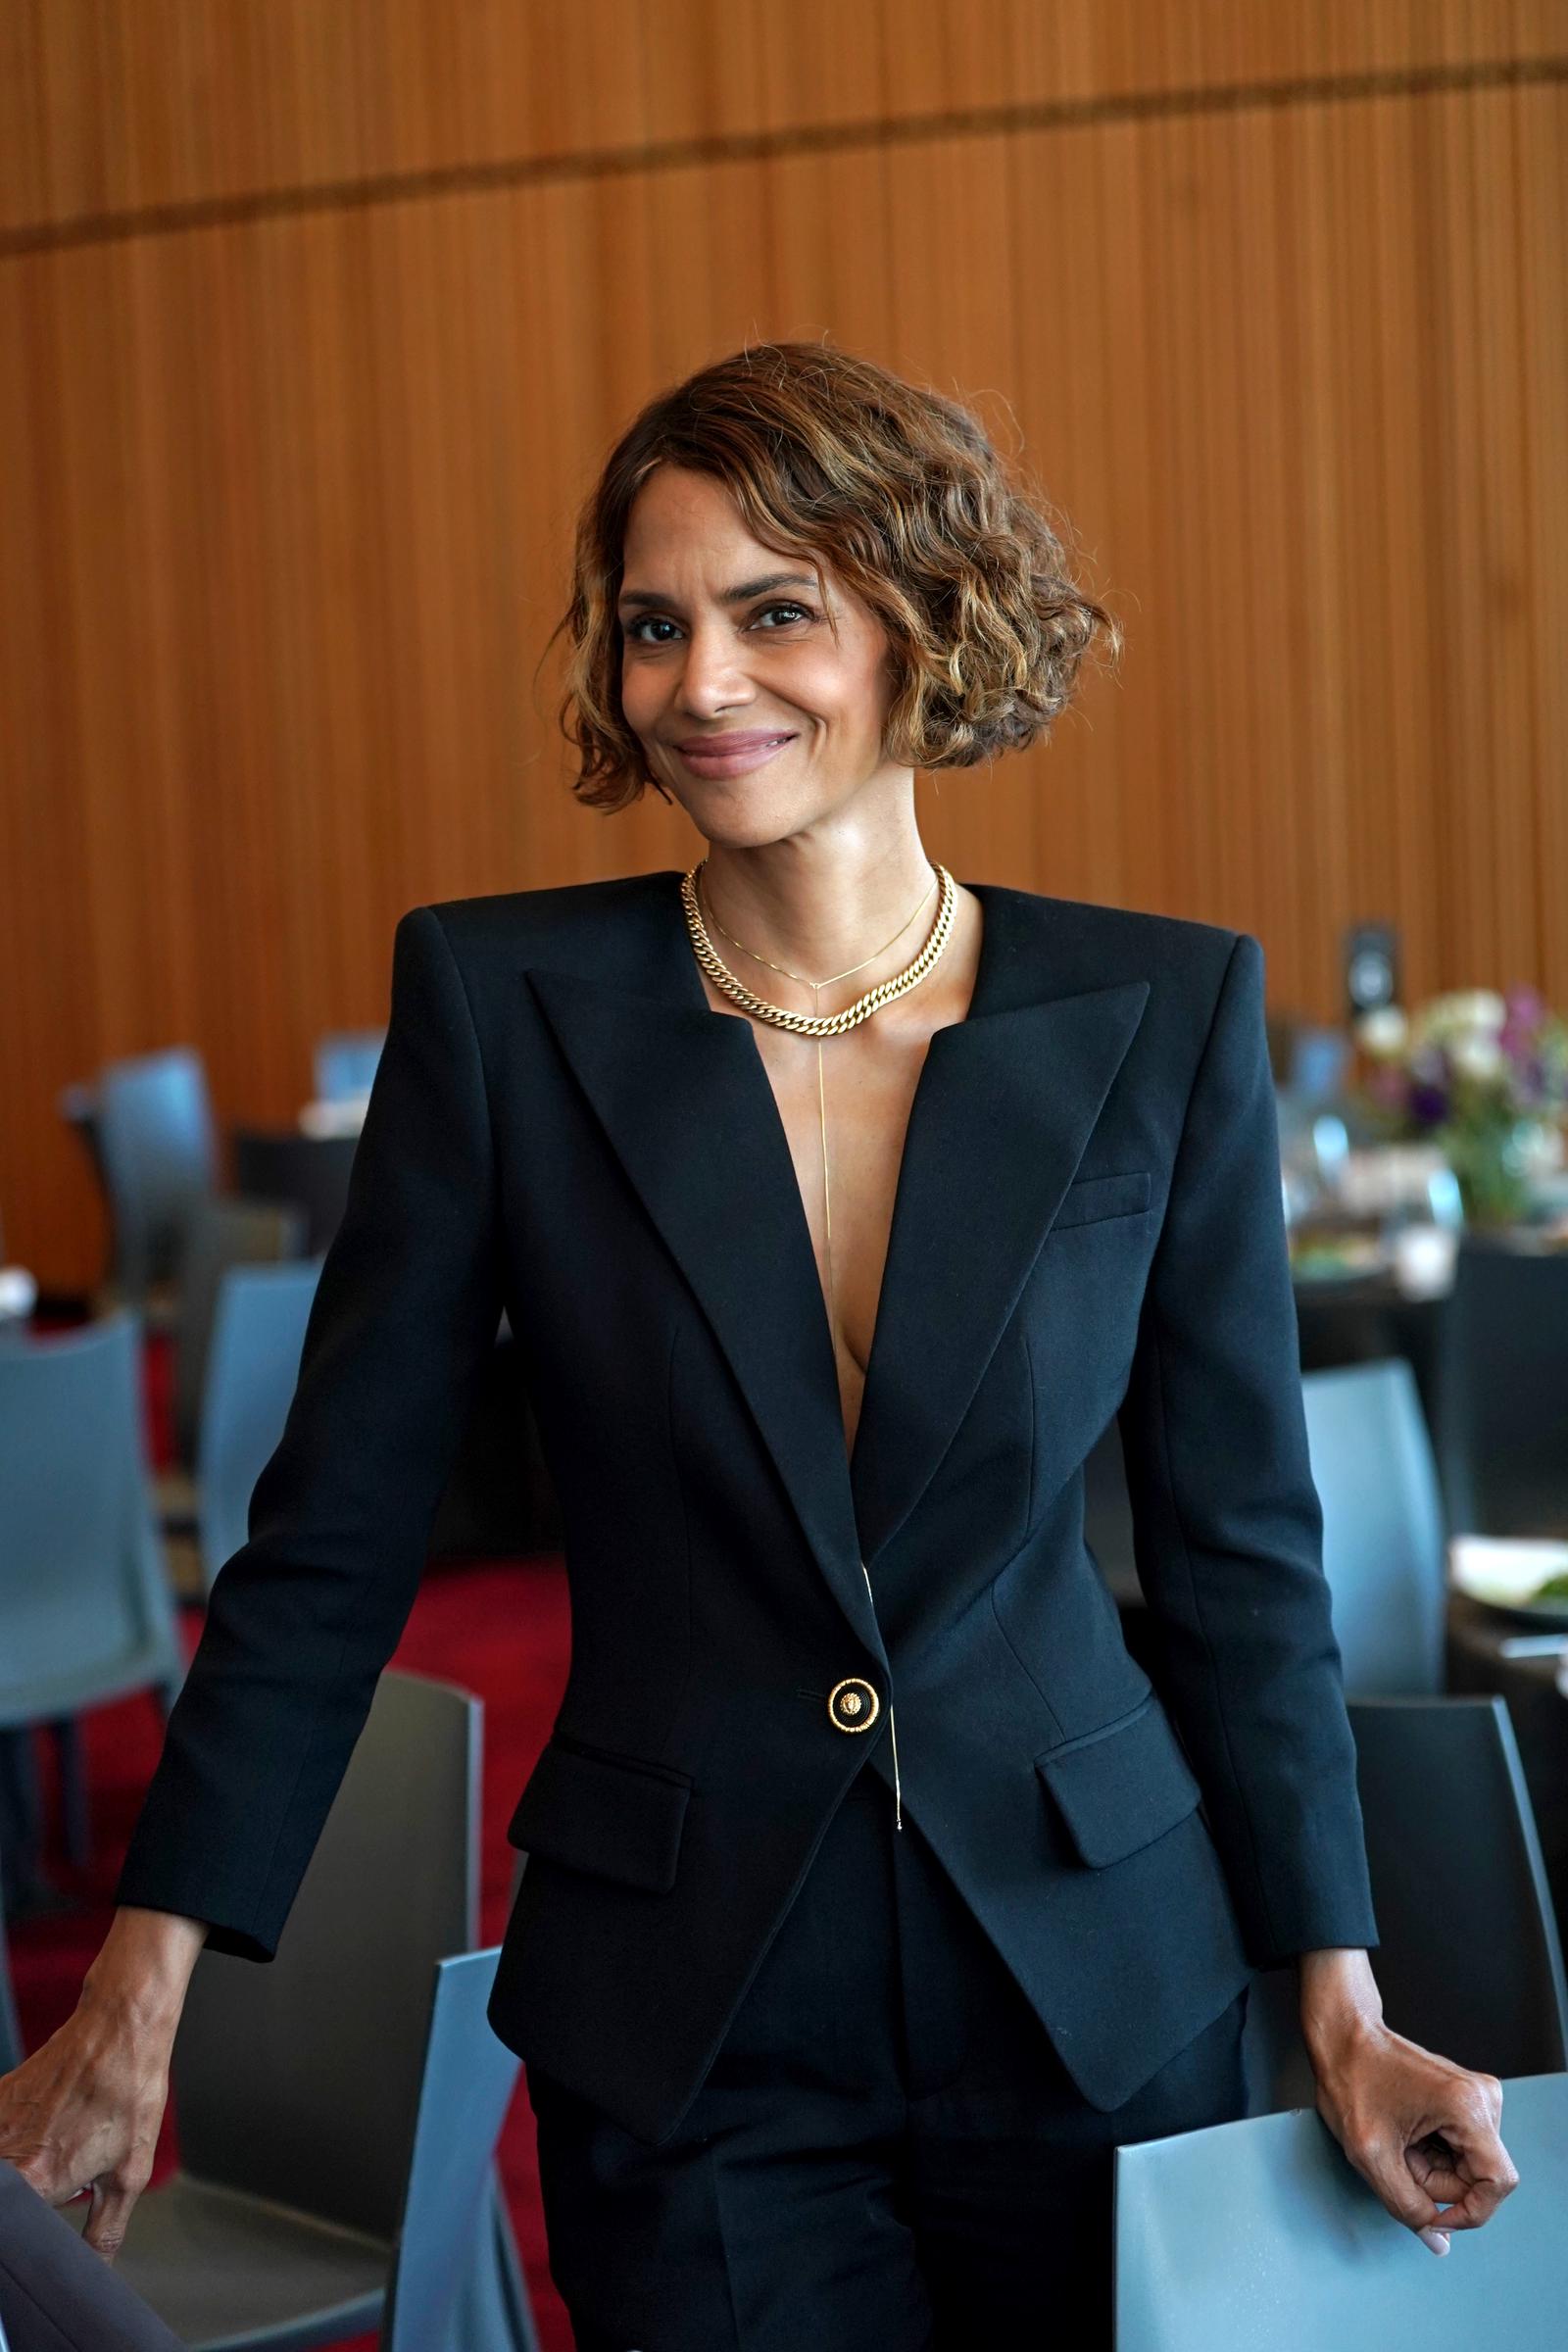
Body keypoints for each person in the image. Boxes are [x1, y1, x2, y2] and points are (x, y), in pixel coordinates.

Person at [0, 343, 1517, 2345]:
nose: (700, 683)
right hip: (689, 2019)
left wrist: (1339, 2000)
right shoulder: (502, 1010)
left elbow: (1242, 1560)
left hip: (1101, 1990)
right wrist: (136, 1990)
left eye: (773, 610)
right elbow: (330, 1545)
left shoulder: (1160, 1015)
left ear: (920, 623)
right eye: (655, 626)